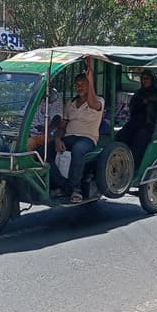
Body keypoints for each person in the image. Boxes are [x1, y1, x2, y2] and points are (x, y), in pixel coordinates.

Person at [49, 57, 103, 203]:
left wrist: (90, 80)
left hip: (87, 139)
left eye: (82, 85)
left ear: (89, 86)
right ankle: (61, 184)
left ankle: (75, 189)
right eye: (77, 85)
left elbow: (92, 103)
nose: (79, 88)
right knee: (45, 149)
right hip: (70, 136)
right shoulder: (70, 104)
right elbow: (62, 126)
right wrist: (58, 138)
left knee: (78, 150)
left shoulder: (98, 101)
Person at [115, 71, 157, 166]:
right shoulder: (139, 92)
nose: (145, 81)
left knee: (140, 139)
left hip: (149, 124)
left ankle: (134, 166)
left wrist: (149, 102)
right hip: (136, 121)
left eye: (147, 78)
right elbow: (133, 108)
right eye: (143, 79)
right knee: (122, 135)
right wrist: (143, 102)